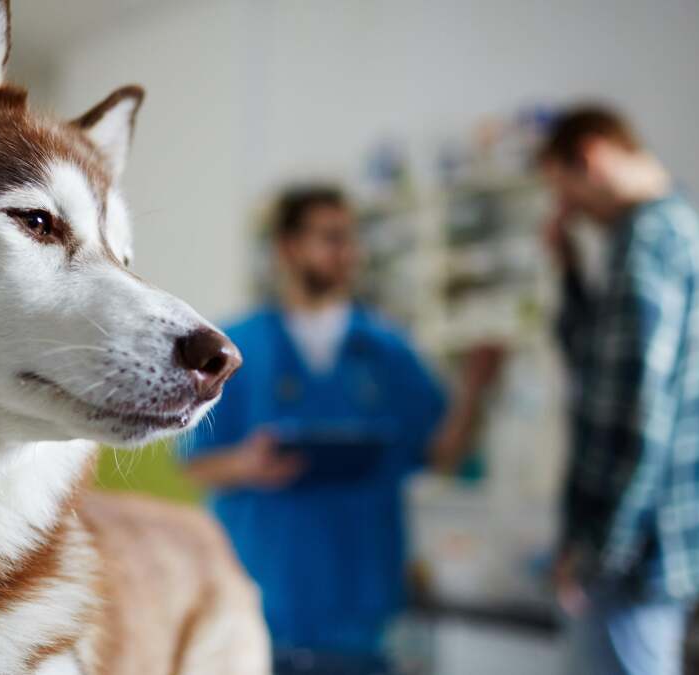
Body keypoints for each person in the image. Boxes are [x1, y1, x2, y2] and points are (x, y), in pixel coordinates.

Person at [182, 185, 501, 672]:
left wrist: (476, 389)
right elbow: (194, 463)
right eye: (331, 238)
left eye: (351, 239)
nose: (347, 252)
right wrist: (246, 464)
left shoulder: (388, 351)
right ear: (289, 247)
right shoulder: (237, 347)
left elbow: (441, 454)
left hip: (359, 623)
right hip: (259, 611)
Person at [537, 105, 699, 675]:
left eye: (566, 192)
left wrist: (596, 554)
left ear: (593, 157)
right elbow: (598, 369)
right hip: (661, 551)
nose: (568, 212)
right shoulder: (688, 232)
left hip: (632, 560)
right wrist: (570, 271)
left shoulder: (646, 242)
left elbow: (641, 419)